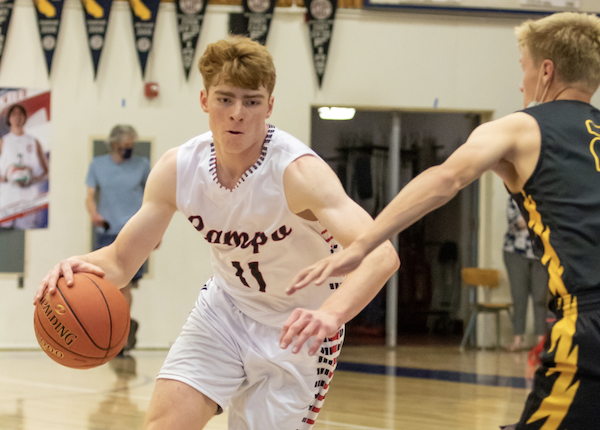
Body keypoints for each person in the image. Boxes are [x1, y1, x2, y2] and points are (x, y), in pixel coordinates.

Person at [34, 37, 399, 430]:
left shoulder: (298, 173)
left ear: (269, 106)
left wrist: (331, 315)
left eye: (251, 101)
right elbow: (122, 261)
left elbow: (381, 256)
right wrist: (77, 266)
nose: (238, 114)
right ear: (205, 100)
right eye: (225, 99)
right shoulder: (178, 169)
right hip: (225, 312)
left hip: (298, 329)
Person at [289, 12, 600, 430]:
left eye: (522, 68)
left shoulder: (522, 128)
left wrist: (362, 245)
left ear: (546, 71)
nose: (520, 83)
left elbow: (444, 179)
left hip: (587, 321)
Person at [85, 124, 150, 353]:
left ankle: (121, 335)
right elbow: (90, 195)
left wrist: (155, 232)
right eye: (124, 146)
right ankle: (121, 325)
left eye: (132, 145)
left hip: (134, 233)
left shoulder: (142, 166)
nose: (129, 149)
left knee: (126, 286)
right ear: (113, 144)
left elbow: (154, 199)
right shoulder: (98, 165)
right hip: (107, 231)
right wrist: (94, 214)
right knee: (107, 287)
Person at [503, 196, 548, 352]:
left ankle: (541, 341)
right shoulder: (515, 197)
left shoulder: (545, 196)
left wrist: (531, 222)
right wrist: (536, 220)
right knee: (519, 296)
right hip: (515, 252)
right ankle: (518, 339)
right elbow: (516, 222)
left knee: (540, 298)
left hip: (540, 254)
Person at [0, 104, 49, 229]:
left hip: (28, 200)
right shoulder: (3, 141)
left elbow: (46, 171)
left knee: (26, 236)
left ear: (25, 117)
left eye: (20, 113)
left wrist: (31, 178)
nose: (17, 117)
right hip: (6, 200)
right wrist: (7, 177)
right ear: (9, 119)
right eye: (14, 114)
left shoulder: (34, 142)